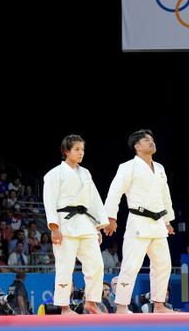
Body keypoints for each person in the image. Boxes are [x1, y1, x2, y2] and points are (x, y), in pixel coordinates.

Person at [103, 129, 176, 314]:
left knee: (163, 264)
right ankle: (121, 306)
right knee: (131, 264)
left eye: (152, 139)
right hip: (138, 221)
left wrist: (167, 220)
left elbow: (164, 196)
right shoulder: (128, 167)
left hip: (158, 222)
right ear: (137, 146)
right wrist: (110, 217)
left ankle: (159, 305)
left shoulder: (159, 168)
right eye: (147, 140)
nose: (152, 142)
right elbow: (115, 192)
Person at [43, 134, 109, 315]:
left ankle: (91, 301)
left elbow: (93, 199)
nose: (81, 153)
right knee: (65, 266)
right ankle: (64, 307)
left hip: (85, 223)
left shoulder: (85, 173)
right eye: (77, 150)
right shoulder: (54, 174)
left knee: (96, 264)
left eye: (83, 149)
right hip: (65, 224)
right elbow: (49, 201)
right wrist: (54, 228)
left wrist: (97, 226)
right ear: (66, 151)